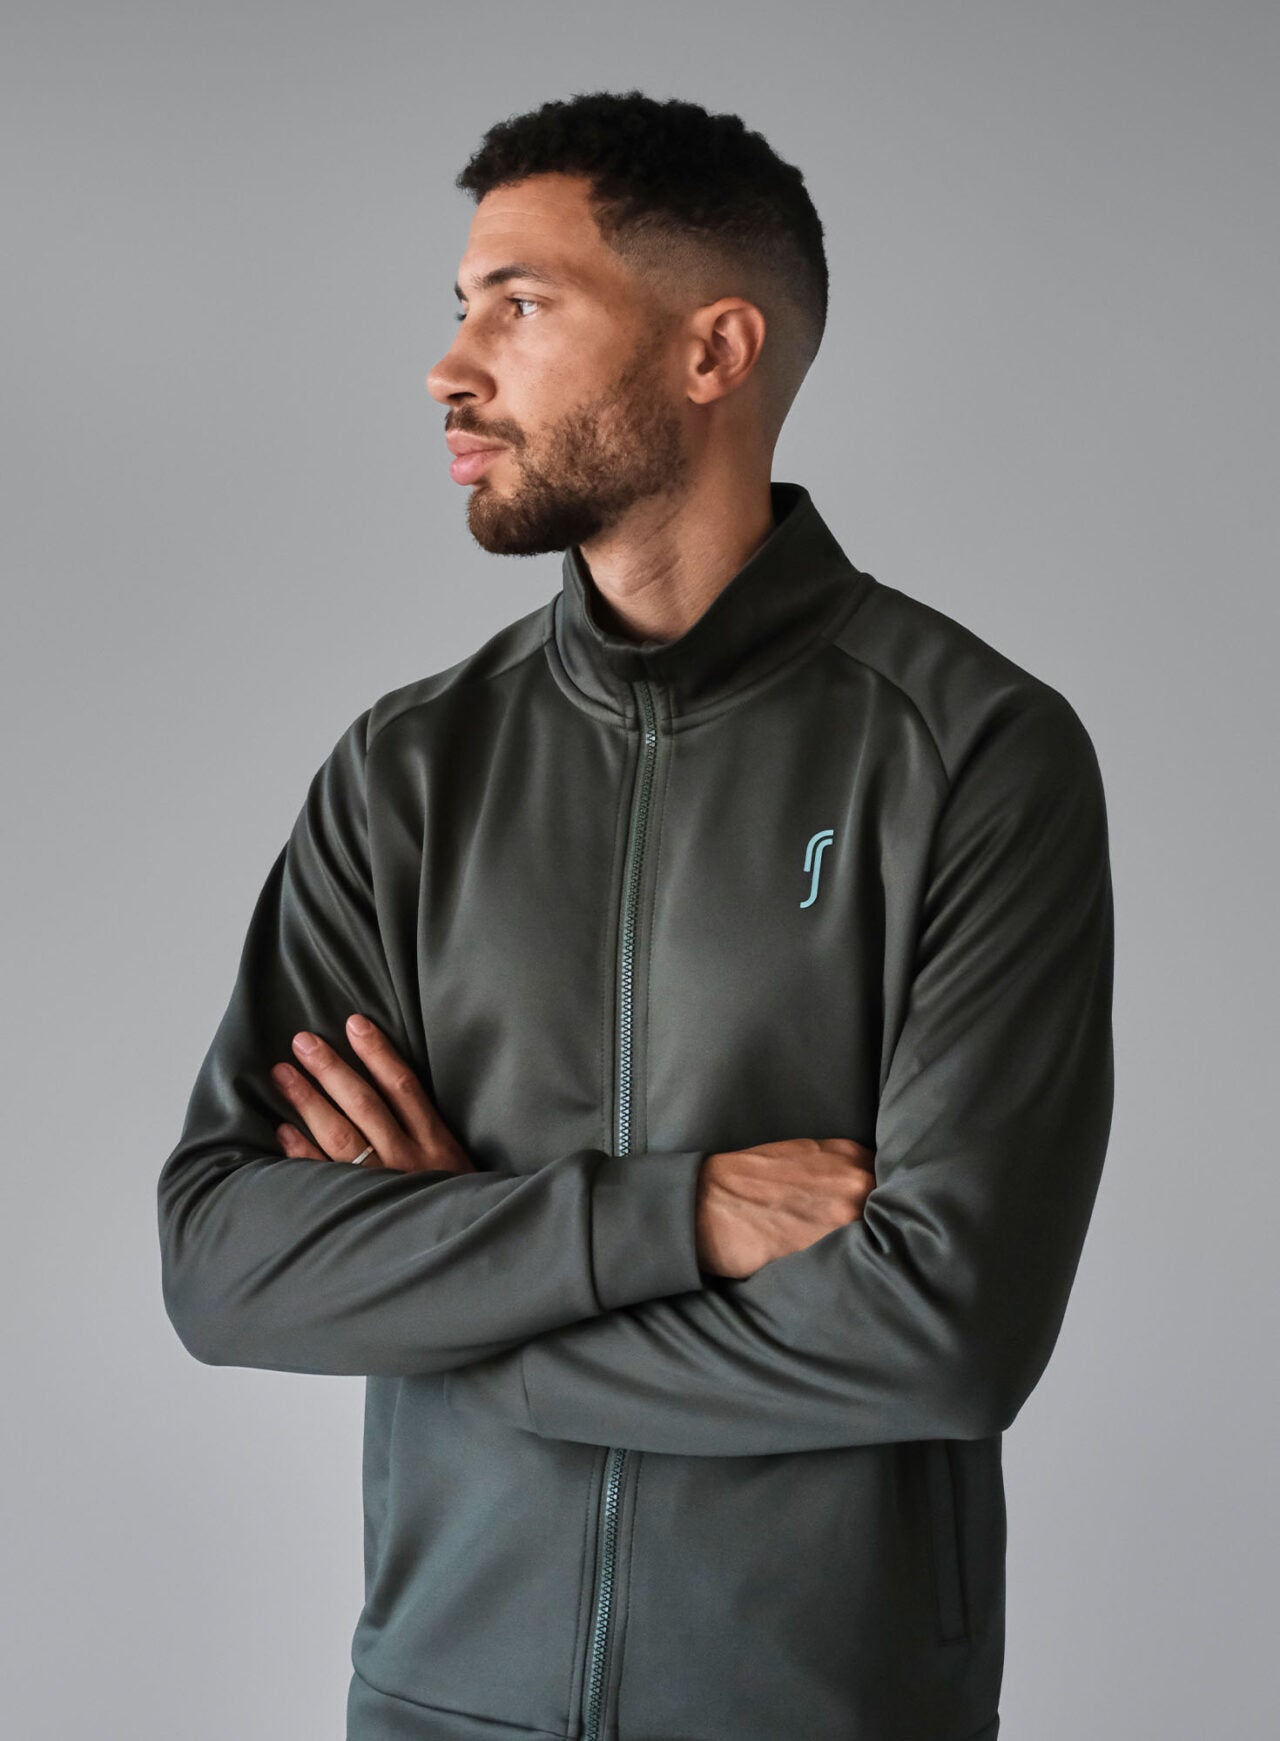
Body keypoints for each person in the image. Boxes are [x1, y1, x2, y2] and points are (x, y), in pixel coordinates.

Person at [158, 89, 1114, 1741]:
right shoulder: (410, 769)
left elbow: (944, 1325)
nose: (450, 367)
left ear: (714, 349)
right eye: (462, 307)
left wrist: (479, 1316)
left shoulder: (971, 751)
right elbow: (223, 1259)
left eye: (520, 305)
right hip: (439, 1706)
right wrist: (679, 1216)